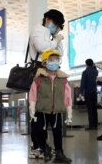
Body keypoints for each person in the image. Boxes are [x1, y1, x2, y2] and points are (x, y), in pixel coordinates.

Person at [28, 9, 65, 159]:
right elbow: (42, 48)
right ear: (48, 20)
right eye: (56, 24)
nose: (56, 28)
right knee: (38, 112)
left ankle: (45, 147)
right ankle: (39, 146)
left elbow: (59, 53)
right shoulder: (38, 30)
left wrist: (57, 39)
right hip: (39, 71)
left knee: (51, 110)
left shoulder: (49, 35)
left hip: (50, 72)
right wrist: (55, 41)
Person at [29, 49, 73, 163]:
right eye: (51, 59)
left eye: (56, 59)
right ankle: (45, 149)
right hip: (41, 110)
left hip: (57, 111)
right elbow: (33, 94)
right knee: (39, 131)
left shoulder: (63, 80)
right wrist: (32, 108)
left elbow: (68, 96)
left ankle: (59, 153)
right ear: (44, 62)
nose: (54, 62)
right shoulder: (39, 79)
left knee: (57, 132)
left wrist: (69, 111)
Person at [79, 59, 99, 130]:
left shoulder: (85, 72)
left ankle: (91, 126)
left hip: (88, 93)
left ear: (86, 64)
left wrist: (81, 92)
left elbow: (83, 83)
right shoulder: (96, 71)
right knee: (94, 109)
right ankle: (96, 125)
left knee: (90, 109)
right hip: (94, 92)